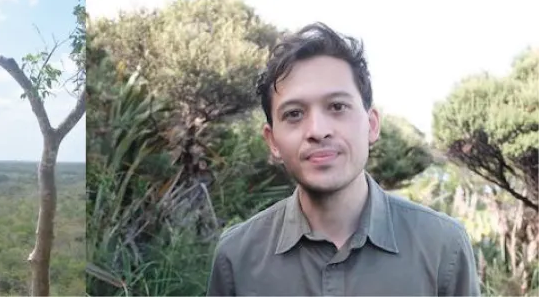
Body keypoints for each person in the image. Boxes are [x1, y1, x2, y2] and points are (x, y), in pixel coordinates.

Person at [205, 22, 480, 296]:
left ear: (371, 125)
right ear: (273, 141)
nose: (317, 130)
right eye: (294, 114)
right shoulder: (237, 259)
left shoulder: (444, 247)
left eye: (337, 107)